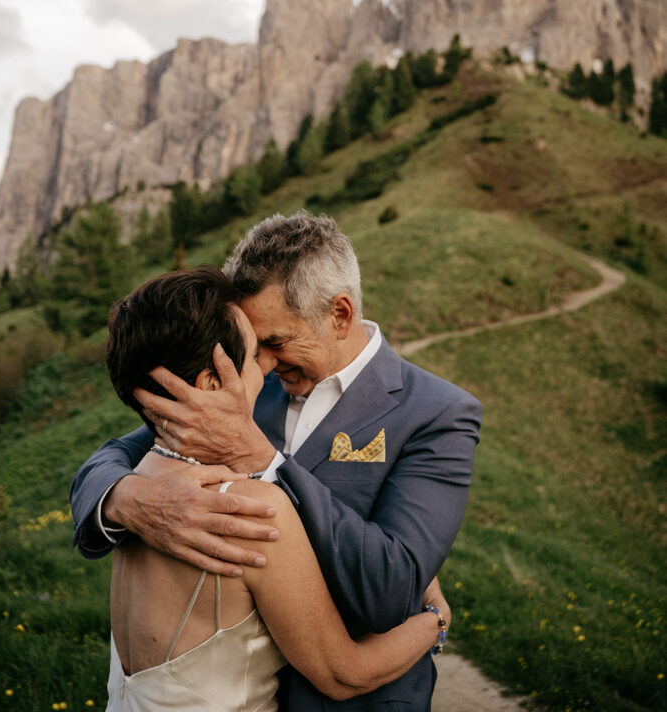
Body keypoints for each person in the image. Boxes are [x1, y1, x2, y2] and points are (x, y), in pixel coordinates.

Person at [71, 212, 482, 711]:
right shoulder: (237, 382)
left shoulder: (438, 413)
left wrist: (263, 459)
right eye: (254, 342)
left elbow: (391, 591)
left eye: (276, 343)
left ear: (340, 315)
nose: (263, 363)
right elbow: (116, 454)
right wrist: (126, 499)